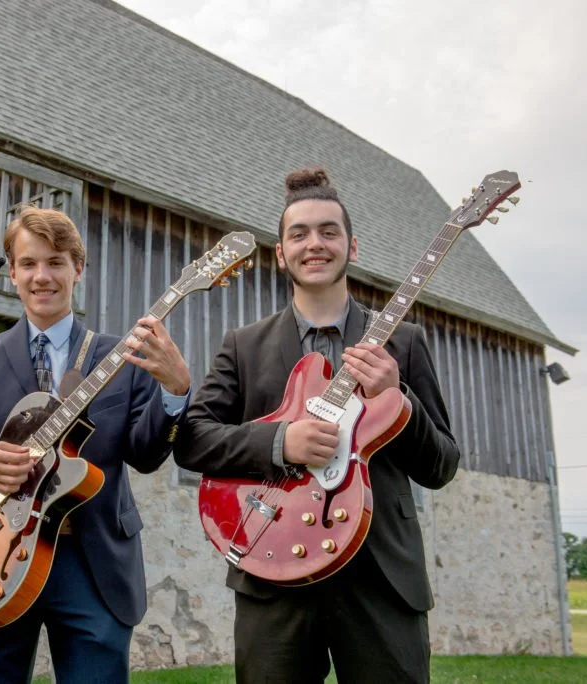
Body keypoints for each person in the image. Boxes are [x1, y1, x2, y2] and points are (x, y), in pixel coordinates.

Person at [174, 168, 461, 683]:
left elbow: (442, 465)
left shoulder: (406, 342)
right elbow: (193, 439)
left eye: (329, 232)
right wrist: (282, 440)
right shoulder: (244, 345)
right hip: (273, 569)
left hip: (382, 579)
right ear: (281, 253)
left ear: (353, 247)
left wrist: (401, 398)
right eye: (299, 234)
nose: (315, 244)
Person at [0, 205, 191, 683]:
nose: (43, 276)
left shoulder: (121, 356)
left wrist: (175, 392)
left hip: (93, 562)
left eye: (56, 262)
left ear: (78, 269)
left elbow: (146, 456)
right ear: (13, 273)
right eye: (29, 263)